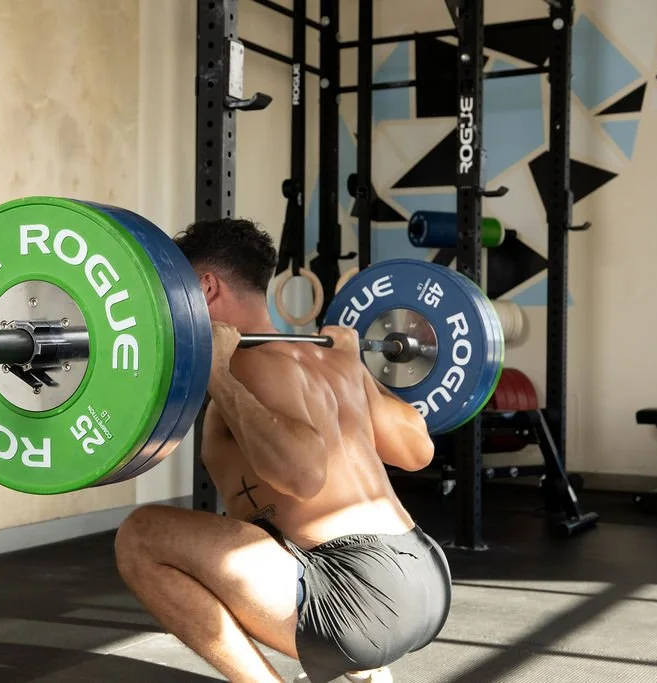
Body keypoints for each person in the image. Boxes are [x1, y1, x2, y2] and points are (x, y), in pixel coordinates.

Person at [114, 218, 452, 683]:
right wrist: (362, 378)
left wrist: (220, 377)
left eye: (175, 288)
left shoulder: (246, 363)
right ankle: (362, 673)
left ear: (206, 287)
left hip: (356, 593)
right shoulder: (328, 358)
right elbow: (419, 452)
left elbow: (304, 475)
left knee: (141, 534)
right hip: (426, 577)